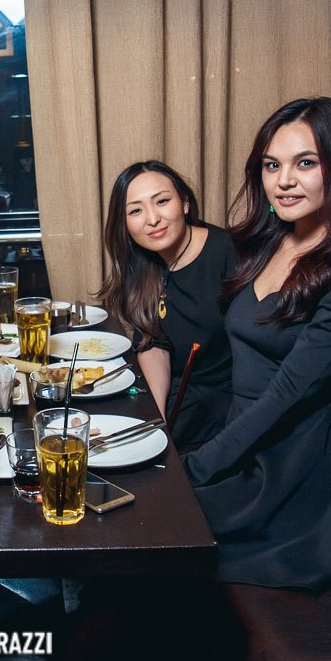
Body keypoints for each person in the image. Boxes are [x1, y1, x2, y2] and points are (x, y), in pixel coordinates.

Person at [184, 96, 331, 592]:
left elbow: (290, 391)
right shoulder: (266, 244)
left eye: (305, 163)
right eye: (272, 165)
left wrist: (198, 465)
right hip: (245, 436)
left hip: (301, 459)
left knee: (161, 532)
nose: (283, 181)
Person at [96, 161, 235, 447]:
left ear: (184, 203)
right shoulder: (143, 263)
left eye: (162, 201)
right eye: (136, 210)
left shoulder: (228, 253)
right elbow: (153, 342)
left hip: (228, 410)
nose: (153, 219)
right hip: (180, 400)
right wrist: (156, 419)